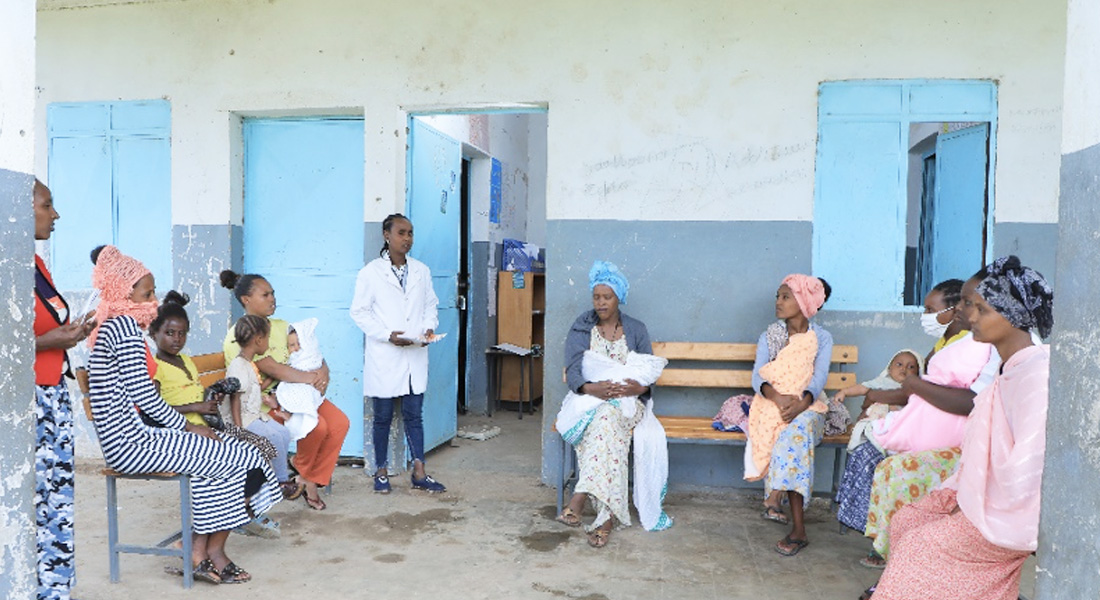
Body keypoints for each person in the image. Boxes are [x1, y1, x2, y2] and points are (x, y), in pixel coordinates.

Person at [87, 245, 281, 584]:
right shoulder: (124, 328)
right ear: (123, 291)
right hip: (132, 445)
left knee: (239, 455)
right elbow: (146, 397)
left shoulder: (112, 324)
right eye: (146, 293)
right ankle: (201, 551)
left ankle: (202, 548)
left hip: (138, 438)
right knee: (234, 457)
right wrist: (188, 430)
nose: (153, 299)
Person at [866, 256, 1053, 600]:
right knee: (907, 520)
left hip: (1009, 514)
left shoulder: (1035, 374)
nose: (969, 316)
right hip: (981, 493)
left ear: (1014, 316)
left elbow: (1029, 468)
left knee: (921, 548)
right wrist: (960, 494)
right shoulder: (1007, 368)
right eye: (970, 305)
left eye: (981, 309)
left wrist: (971, 506)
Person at [835, 279, 992, 561]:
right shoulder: (948, 340)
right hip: (925, 426)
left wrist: (899, 390)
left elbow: (951, 394)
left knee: (883, 466)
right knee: (870, 456)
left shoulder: (972, 343)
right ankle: (883, 544)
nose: (927, 317)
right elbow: (919, 386)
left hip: (949, 438)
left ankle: (889, 549)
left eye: (931, 310)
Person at [554, 260, 670, 547]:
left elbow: (648, 371)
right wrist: (592, 388)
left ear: (619, 297)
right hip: (589, 401)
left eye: (607, 297)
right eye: (597, 297)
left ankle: (579, 499)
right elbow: (573, 369)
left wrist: (639, 387)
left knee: (608, 422)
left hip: (630, 404)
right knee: (607, 428)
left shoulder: (636, 329)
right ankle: (605, 520)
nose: (601, 302)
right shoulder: (582, 327)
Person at [221, 270, 348, 511]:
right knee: (317, 427)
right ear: (246, 300)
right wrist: (312, 378)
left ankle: (305, 477)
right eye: (265, 294)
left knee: (340, 423)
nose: (272, 299)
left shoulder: (282, 326)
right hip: (265, 404)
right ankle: (305, 477)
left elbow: (309, 350)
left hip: (300, 394)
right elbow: (273, 368)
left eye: (273, 293)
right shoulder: (241, 334)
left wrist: (323, 371)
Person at [32, 180, 97, 600]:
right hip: (26, 404)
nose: (55, 215)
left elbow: (45, 326)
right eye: (47, 205)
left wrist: (72, 334)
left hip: (52, 396)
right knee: (35, 505)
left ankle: (53, 590)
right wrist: (48, 342)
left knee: (55, 503)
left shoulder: (36, 266)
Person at [350, 213, 446, 494]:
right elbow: (359, 312)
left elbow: (431, 306)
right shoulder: (370, 273)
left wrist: (428, 329)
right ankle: (381, 471)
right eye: (402, 233)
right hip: (385, 354)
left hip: (415, 352)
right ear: (386, 235)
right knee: (382, 416)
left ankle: (420, 471)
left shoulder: (421, 271)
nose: (407, 239)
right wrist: (386, 334)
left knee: (414, 415)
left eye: (411, 233)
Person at [748, 274, 832, 557]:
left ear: (804, 301)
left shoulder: (821, 338)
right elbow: (757, 377)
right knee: (787, 431)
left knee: (795, 432)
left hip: (810, 407)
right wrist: (779, 398)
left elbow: (819, 378)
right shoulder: (770, 336)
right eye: (778, 295)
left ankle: (796, 524)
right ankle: (796, 525)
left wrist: (802, 403)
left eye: (786, 296)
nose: (778, 302)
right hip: (775, 402)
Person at [223, 315, 297, 500]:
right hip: (241, 420)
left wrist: (273, 378)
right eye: (268, 338)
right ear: (258, 340)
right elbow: (235, 397)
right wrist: (239, 430)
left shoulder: (248, 363)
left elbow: (254, 388)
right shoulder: (239, 365)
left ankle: (277, 475)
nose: (269, 342)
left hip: (253, 415)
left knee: (283, 433)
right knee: (272, 437)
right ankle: (281, 482)